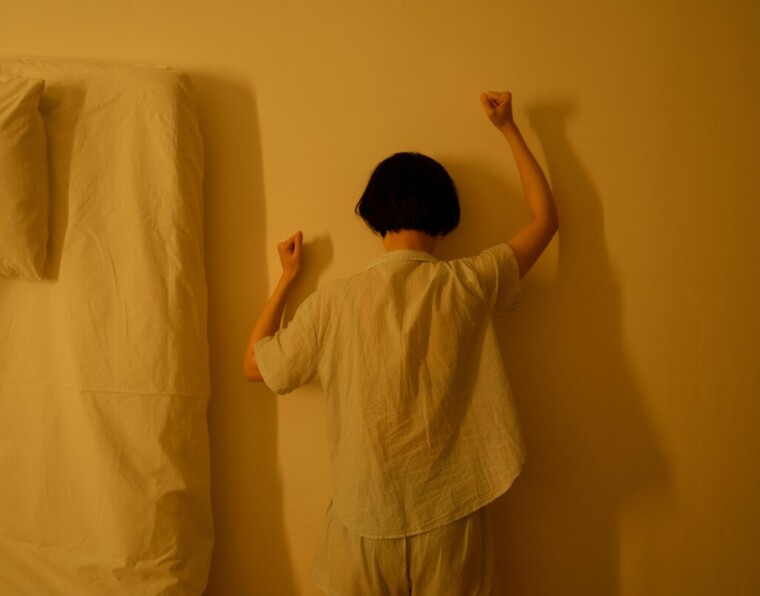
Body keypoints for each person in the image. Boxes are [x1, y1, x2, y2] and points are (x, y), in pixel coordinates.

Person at [243, 91, 558, 595]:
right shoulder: (469, 283)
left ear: (372, 212)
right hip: (450, 518)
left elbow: (255, 366)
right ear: (446, 214)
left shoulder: (333, 303)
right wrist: (508, 128)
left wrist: (287, 278)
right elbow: (545, 220)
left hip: (363, 521)